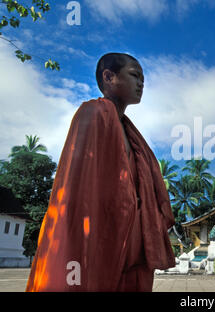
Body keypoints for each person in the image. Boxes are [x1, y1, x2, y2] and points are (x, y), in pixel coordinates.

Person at [26, 53, 176, 292]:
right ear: (109, 77)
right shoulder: (93, 113)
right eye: (135, 75)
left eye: (143, 79)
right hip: (103, 235)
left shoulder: (132, 133)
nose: (141, 84)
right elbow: (76, 187)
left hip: (135, 245)